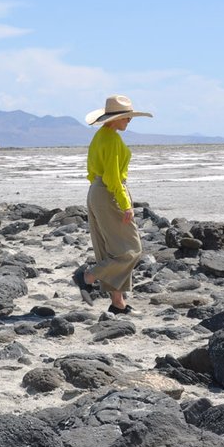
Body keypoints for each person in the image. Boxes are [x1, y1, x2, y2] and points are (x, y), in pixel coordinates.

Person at [73, 95, 152, 314]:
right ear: (114, 119)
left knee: (110, 249)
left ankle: (118, 303)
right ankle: (87, 276)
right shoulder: (113, 140)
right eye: (126, 117)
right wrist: (126, 204)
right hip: (109, 193)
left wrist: (98, 194)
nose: (129, 121)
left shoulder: (100, 136)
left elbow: (92, 172)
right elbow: (114, 178)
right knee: (130, 250)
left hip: (96, 192)